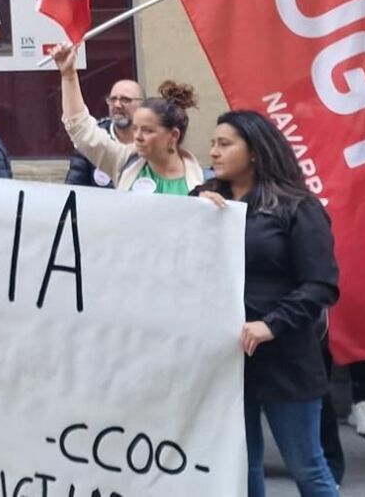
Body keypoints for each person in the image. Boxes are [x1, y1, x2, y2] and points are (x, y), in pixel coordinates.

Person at [195, 110, 341, 497]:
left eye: (225, 144)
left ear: (256, 151)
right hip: (226, 357)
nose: (214, 152)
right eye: (213, 144)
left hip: (286, 357)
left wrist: (271, 324)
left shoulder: (298, 207)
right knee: (242, 466)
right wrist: (193, 216)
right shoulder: (205, 201)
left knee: (306, 465)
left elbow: (321, 285)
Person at [54, 45, 205, 195]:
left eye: (147, 130)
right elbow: (81, 129)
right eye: (136, 128)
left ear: (173, 136)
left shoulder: (200, 180)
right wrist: (68, 75)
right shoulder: (125, 161)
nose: (138, 137)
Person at [63, 76, 142, 188]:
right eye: (113, 99)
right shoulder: (95, 138)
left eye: (125, 100)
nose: (117, 105)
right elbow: (73, 188)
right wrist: (68, 76)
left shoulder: (150, 145)